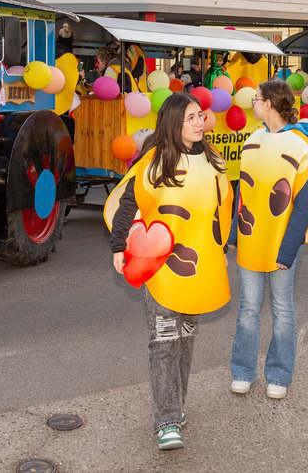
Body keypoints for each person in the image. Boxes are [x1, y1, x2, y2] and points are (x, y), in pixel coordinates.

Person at [104, 92, 232, 451]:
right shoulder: (154, 163)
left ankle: (176, 405)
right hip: (159, 265)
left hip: (200, 268)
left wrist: (222, 250)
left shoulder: (215, 162)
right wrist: (118, 246)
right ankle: (166, 420)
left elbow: (223, 210)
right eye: (191, 117)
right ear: (174, 123)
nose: (199, 123)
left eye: (201, 116)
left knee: (185, 338)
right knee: (163, 340)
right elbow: (128, 203)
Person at [229, 79, 308, 400]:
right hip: (250, 239)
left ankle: (279, 375)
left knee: (283, 310)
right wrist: (233, 232)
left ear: (269, 105)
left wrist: (288, 250)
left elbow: (305, 205)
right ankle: (243, 371)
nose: (252, 105)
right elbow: (243, 191)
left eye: (256, 100)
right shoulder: (253, 138)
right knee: (247, 308)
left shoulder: (300, 145)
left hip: (282, 245)